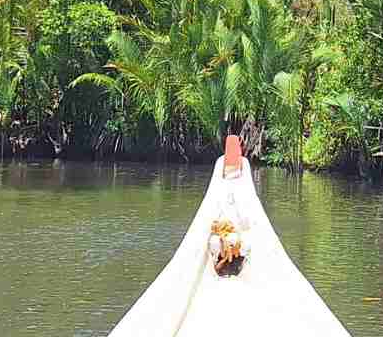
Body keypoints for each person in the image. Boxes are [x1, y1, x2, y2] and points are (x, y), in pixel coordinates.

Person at [106, 136, 351, 337]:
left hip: (238, 237)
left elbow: (248, 215)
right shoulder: (222, 169)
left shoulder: (242, 169)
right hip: (221, 236)